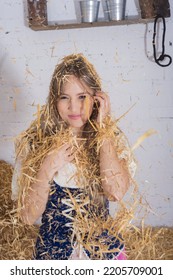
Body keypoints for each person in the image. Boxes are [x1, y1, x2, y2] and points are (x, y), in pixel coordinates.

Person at [12, 53, 136, 260]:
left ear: (96, 98)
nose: (74, 108)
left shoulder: (111, 137)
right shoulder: (35, 141)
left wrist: (102, 131)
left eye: (82, 97)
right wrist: (46, 168)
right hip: (53, 255)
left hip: (103, 253)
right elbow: (26, 216)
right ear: (54, 100)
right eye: (64, 97)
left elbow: (116, 193)